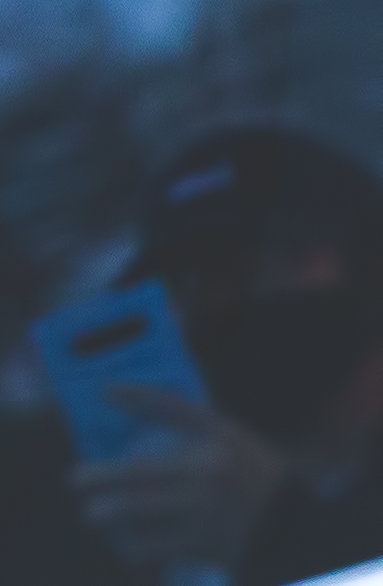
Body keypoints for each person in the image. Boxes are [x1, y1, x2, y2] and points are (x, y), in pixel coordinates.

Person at [70, 127, 383, 585]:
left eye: (260, 262)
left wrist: (288, 538)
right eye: (184, 281)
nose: (218, 303)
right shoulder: (180, 527)